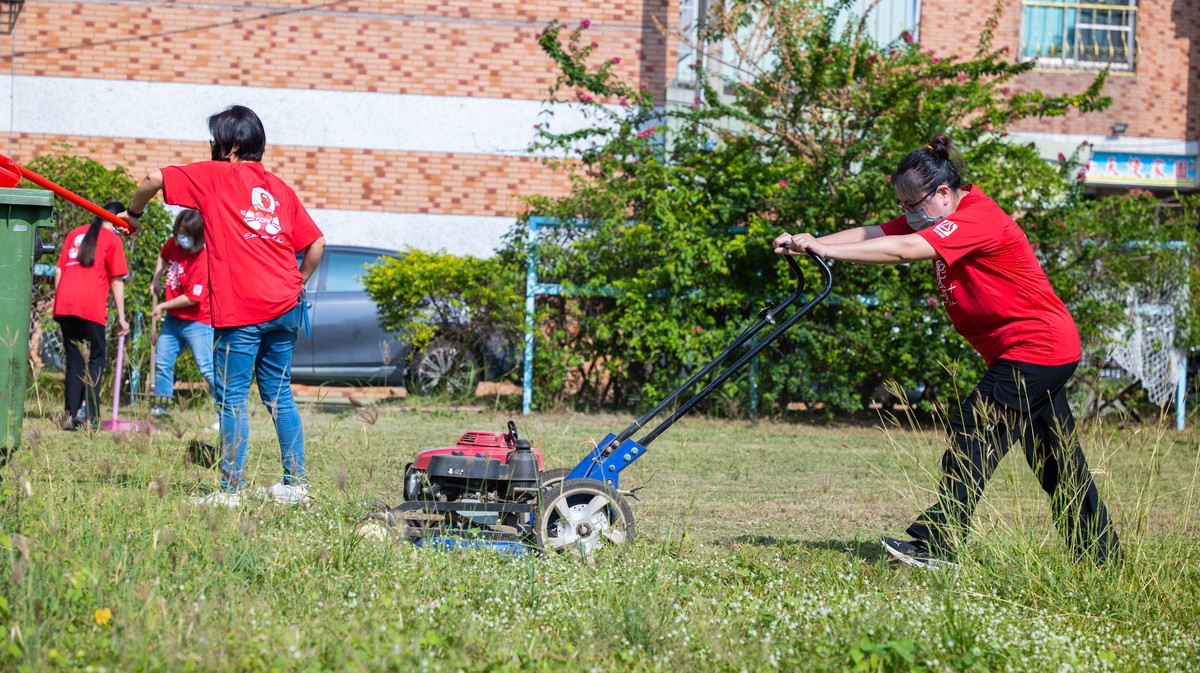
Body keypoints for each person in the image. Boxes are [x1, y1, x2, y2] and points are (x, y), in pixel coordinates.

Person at [774, 133, 1120, 568]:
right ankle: (1102, 558)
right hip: (1034, 351)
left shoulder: (977, 218)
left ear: (943, 192)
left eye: (914, 205)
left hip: (1036, 346)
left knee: (972, 428)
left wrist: (827, 250)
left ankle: (938, 543)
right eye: (902, 205)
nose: (908, 215)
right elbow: (876, 232)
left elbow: (902, 251)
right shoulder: (935, 216)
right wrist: (812, 240)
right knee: (1056, 461)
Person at [121, 105, 326, 506]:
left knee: (232, 398)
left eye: (215, 142)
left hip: (244, 308)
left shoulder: (217, 176)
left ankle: (231, 491)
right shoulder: (281, 189)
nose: (211, 149)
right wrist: (297, 282)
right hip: (287, 304)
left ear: (230, 147)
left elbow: (152, 179)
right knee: (279, 393)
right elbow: (316, 244)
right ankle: (296, 485)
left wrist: (132, 214)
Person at [53, 201, 131, 431]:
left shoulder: (74, 233)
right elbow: (117, 280)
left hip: (65, 305)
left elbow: (59, 270)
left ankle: (69, 417)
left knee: (75, 360)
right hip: (90, 306)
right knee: (96, 359)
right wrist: (122, 317)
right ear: (116, 219)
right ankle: (92, 418)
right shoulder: (112, 240)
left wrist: (60, 301)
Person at [148, 209, 217, 422]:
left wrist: (162, 305)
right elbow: (163, 256)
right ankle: (161, 407)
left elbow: (192, 298)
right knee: (162, 361)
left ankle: (224, 411)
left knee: (207, 368)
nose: (180, 238)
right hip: (173, 320)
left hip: (198, 321)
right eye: (178, 233)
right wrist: (156, 278)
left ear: (197, 234)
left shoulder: (202, 258)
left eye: (185, 234)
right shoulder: (174, 244)